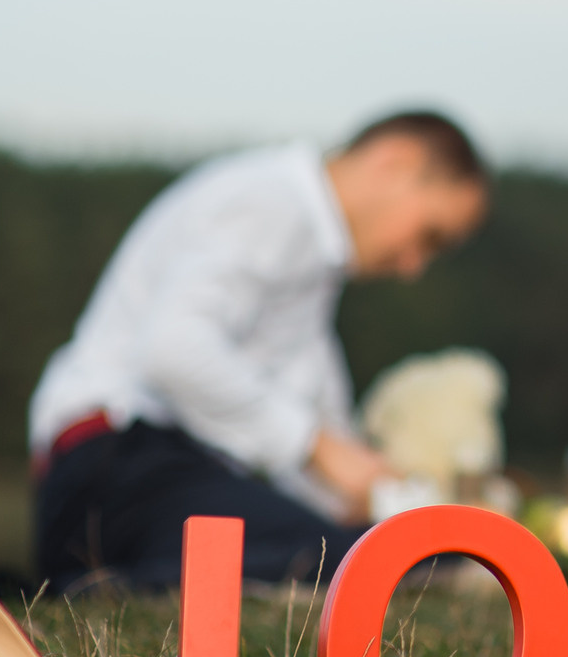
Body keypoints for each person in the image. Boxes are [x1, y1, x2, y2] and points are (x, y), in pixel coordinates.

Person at [28, 111, 488, 592]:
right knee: (348, 562)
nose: (413, 265)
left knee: (349, 549)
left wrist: (348, 486)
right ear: (396, 161)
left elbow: (300, 404)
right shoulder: (272, 204)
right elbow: (172, 351)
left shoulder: (310, 252)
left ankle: (110, 583)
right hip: (115, 463)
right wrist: (318, 448)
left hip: (139, 471)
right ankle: (99, 588)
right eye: (429, 236)